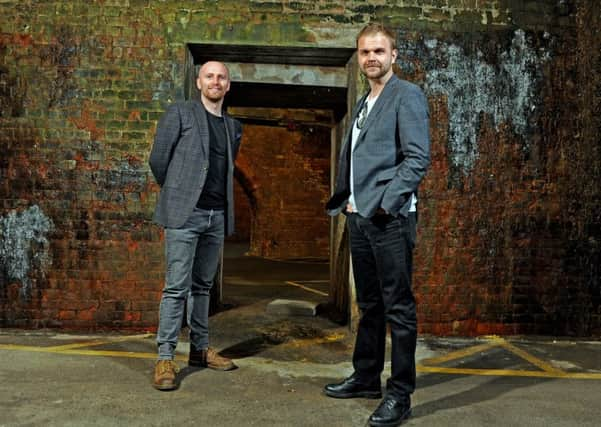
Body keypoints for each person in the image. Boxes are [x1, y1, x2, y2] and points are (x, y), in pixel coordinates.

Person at [324, 24, 430, 426]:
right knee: (369, 304)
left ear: (393, 55)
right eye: (365, 52)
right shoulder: (365, 102)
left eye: (379, 51)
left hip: (390, 219)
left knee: (398, 308)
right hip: (359, 217)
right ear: (359, 58)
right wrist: (352, 205)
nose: (372, 58)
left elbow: (417, 158)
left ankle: (399, 394)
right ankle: (367, 376)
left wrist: (384, 204)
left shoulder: (407, 96)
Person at [149, 61, 242, 391]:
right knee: (176, 287)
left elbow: (225, 169)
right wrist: (179, 193)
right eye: (209, 76)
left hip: (216, 215)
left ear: (228, 85)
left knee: (203, 287)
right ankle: (165, 357)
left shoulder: (233, 127)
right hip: (185, 214)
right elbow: (158, 160)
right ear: (199, 82)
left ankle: (200, 350)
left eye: (221, 78)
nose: (215, 82)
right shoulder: (181, 113)